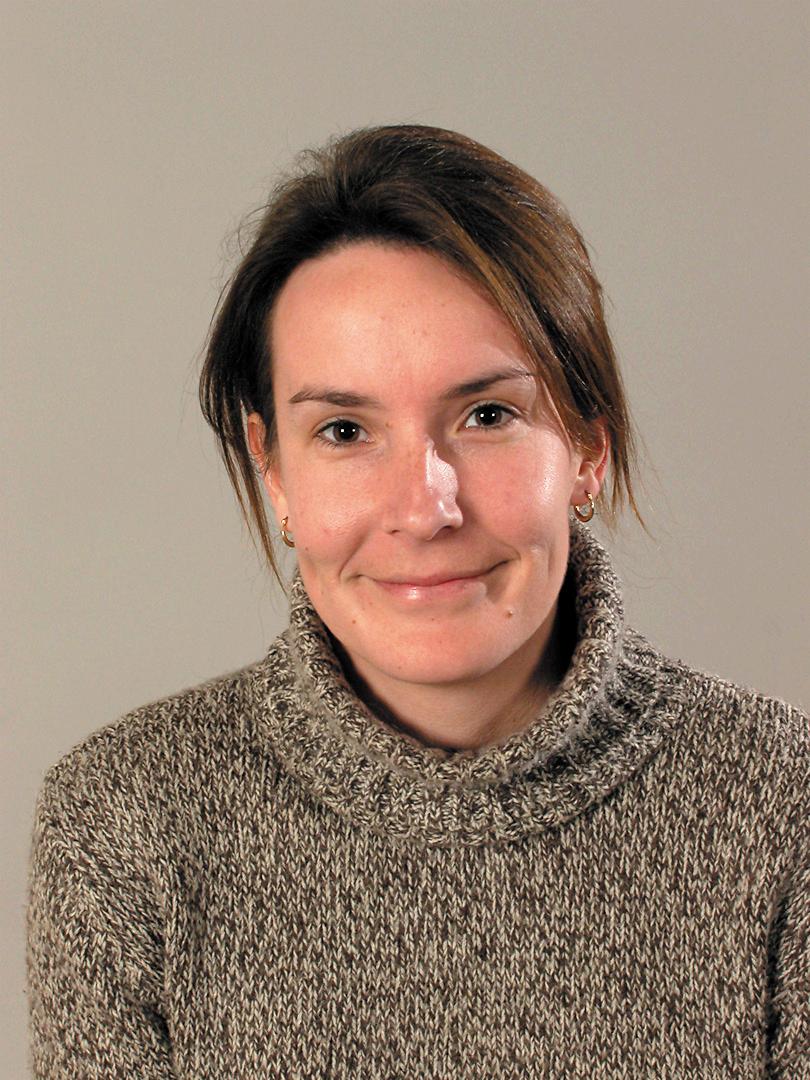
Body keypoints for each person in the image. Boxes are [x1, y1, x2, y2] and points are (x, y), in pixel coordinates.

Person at [26, 124, 808, 1077]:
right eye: (344, 430)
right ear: (273, 469)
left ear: (587, 449)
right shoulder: (124, 824)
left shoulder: (786, 805)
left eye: (488, 415)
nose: (424, 508)